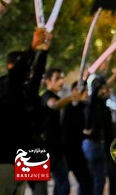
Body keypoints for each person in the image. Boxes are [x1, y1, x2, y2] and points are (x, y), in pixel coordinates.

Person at [0, 28, 50, 195]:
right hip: (6, 159)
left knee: (30, 190)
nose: (29, 74)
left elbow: (36, 78)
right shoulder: (5, 86)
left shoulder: (25, 93)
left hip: (27, 155)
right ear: (11, 67)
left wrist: (44, 52)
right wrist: (33, 48)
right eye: (25, 69)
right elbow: (15, 76)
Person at [41, 67, 81, 195]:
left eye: (62, 78)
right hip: (47, 149)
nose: (61, 81)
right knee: (46, 187)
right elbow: (54, 105)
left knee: (63, 184)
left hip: (57, 149)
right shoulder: (47, 96)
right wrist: (70, 98)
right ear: (48, 81)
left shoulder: (56, 96)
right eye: (57, 78)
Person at [82, 74, 114, 195]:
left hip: (96, 144)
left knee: (96, 179)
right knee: (96, 179)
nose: (106, 91)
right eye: (103, 88)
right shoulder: (95, 105)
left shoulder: (97, 104)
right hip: (94, 144)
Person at [61, 81, 93, 195]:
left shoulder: (83, 107)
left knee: (87, 182)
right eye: (85, 91)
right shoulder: (66, 107)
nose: (87, 94)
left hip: (77, 150)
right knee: (62, 186)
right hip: (64, 151)